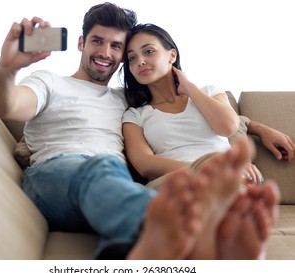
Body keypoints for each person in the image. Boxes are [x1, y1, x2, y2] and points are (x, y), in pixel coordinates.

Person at [0, 3, 279, 259]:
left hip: (114, 186)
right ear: (80, 43)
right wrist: (7, 68)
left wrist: (256, 127)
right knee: (104, 169)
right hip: (56, 174)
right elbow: (5, 105)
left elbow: (210, 118)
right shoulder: (48, 82)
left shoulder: (126, 101)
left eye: (115, 47)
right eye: (97, 42)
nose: (105, 53)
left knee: (119, 177)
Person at [121, 23, 292, 188]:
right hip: (175, 184)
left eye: (148, 51)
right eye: (132, 58)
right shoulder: (135, 115)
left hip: (227, 183)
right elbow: (145, 164)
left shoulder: (210, 92)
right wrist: (207, 168)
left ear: (172, 55)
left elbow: (229, 127)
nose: (140, 61)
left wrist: (189, 88)